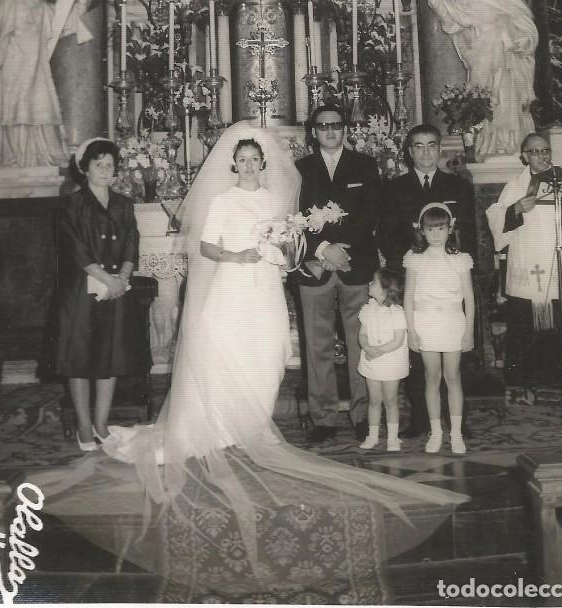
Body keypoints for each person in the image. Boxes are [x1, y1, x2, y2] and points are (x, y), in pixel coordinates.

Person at [32, 121, 467, 601]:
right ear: (232, 163)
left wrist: (283, 250)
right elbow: (205, 246)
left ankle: (249, 423)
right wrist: (236, 255)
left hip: (264, 289)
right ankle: (220, 426)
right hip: (231, 284)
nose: (248, 165)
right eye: (240, 160)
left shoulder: (277, 203)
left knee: (265, 356)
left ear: (263, 163)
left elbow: (292, 245)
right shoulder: (220, 201)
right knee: (227, 353)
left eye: (254, 159)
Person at [378, 123, 476, 438]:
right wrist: (411, 263)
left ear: (440, 149)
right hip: (414, 278)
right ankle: (421, 418)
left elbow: (470, 233)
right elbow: (388, 235)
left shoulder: (458, 186)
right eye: (418, 146)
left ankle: (459, 418)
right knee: (419, 354)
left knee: (456, 357)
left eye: (431, 145)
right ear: (409, 152)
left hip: (450, 281)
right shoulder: (394, 188)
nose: (425, 152)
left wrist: (453, 262)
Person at [486, 133, 562, 399]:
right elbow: (495, 216)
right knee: (530, 326)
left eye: (545, 150)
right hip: (531, 268)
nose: (542, 155)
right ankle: (527, 384)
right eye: (534, 151)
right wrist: (515, 210)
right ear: (524, 156)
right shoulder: (515, 186)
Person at [295, 102, 382, 444]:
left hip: (355, 265)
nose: (330, 131)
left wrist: (339, 248)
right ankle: (324, 417)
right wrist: (321, 250)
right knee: (317, 346)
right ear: (313, 132)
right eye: (322, 126)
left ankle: (363, 414)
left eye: (336, 125)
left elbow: (371, 213)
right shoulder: (299, 169)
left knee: (361, 342)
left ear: (344, 128)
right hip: (314, 267)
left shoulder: (365, 165)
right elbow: (294, 216)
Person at [56, 137, 147, 451]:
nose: (105, 170)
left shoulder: (123, 203)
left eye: (110, 165)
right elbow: (74, 248)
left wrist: (122, 277)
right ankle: (84, 427)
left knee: (111, 355)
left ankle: (101, 424)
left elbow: (131, 242)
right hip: (82, 291)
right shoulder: (72, 204)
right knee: (79, 358)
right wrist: (105, 278)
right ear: (85, 169)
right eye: (99, 165)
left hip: (116, 290)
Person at [425, 0, 538, 159]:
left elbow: (523, 17)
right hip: (479, 52)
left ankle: (508, 142)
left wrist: (521, 39)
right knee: (480, 97)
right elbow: (453, 13)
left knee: (503, 96)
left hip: (502, 52)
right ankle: (485, 143)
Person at [0, 0, 70, 168]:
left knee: (39, 106)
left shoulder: (44, 7)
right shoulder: (5, 5)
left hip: (36, 69)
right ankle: (13, 157)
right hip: (11, 67)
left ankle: (41, 154)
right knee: (13, 109)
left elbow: (67, 21)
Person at [403, 203, 475, 455]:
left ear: (450, 229)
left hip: (453, 322)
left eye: (441, 228)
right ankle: (436, 433)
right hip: (425, 323)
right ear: (421, 231)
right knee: (431, 378)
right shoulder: (415, 259)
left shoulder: (460, 259)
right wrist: (410, 330)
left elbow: (469, 298)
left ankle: (456, 433)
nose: (436, 234)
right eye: (430, 229)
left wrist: (469, 331)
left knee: (452, 377)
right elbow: (409, 297)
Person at [357, 269, 409, 452]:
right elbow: (362, 334)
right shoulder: (368, 309)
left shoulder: (397, 312)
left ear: (385, 289)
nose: (369, 284)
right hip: (372, 360)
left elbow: (398, 340)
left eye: (373, 282)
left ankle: (393, 438)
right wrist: (366, 347)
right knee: (374, 400)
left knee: (391, 400)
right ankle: (372, 436)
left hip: (390, 360)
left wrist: (378, 350)